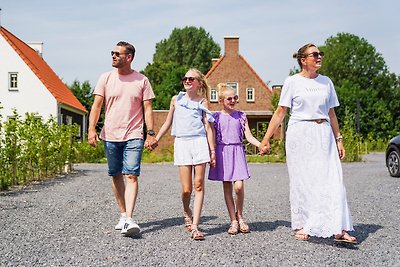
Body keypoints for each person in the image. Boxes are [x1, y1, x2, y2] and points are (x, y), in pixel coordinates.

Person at [259, 43, 357, 244]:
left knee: (333, 180)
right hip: (300, 134)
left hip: (324, 134)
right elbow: (280, 113)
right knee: (303, 180)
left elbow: (331, 113)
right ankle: (302, 224)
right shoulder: (292, 82)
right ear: (303, 60)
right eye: (315, 54)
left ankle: (339, 228)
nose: (319, 57)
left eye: (320, 54)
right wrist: (266, 139)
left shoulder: (326, 82)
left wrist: (339, 139)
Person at [88, 41, 157, 237]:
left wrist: (150, 133)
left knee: (131, 175)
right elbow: (96, 106)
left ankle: (129, 219)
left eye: (117, 53)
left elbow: (148, 109)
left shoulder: (142, 80)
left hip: (134, 134)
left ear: (129, 57)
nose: (113, 56)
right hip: (110, 134)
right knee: (116, 174)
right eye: (112, 53)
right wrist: (91, 130)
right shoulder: (105, 78)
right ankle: (123, 214)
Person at [155, 68, 216, 240]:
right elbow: (168, 122)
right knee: (187, 189)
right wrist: (156, 138)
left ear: (199, 83)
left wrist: (212, 151)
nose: (187, 81)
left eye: (191, 79)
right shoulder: (176, 99)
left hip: (199, 142)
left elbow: (208, 127)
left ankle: (195, 226)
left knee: (198, 185)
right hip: (182, 143)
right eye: (185, 78)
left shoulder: (203, 101)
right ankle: (186, 209)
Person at [208, 83, 261, 235]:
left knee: (238, 187)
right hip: (222, 152)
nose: (232, 101)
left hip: (237, 151)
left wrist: (260, 145)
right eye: (229, 98)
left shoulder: (241, 116)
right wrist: (211, 153)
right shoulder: (216, 118)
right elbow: (210, 136)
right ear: (221, 101)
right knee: (227, 187)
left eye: (235, 98)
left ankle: (241, 216)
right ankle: (233, 220)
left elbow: (249, 136)